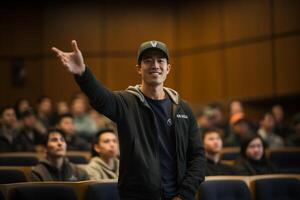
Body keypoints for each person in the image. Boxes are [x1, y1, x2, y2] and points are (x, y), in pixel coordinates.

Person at [52, 40, 205, 200]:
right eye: (148, 60)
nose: (155, 65)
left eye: (160, 60)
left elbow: (197, 156)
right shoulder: (126, 102)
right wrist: (82, 73)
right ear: (139, 69)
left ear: (169, 68)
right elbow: (101, 98)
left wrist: (184, 195)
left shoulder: (182, 108)